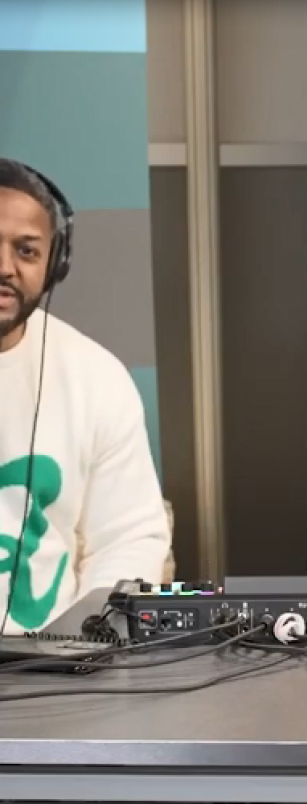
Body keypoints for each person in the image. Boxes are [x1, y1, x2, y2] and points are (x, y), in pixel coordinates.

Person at [0, 159, 170, 633]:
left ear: (55, 263)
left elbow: (128, 537)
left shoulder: (96, 379)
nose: (5, 267)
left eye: (27, 251)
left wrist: (88, 644)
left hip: (52, 677)